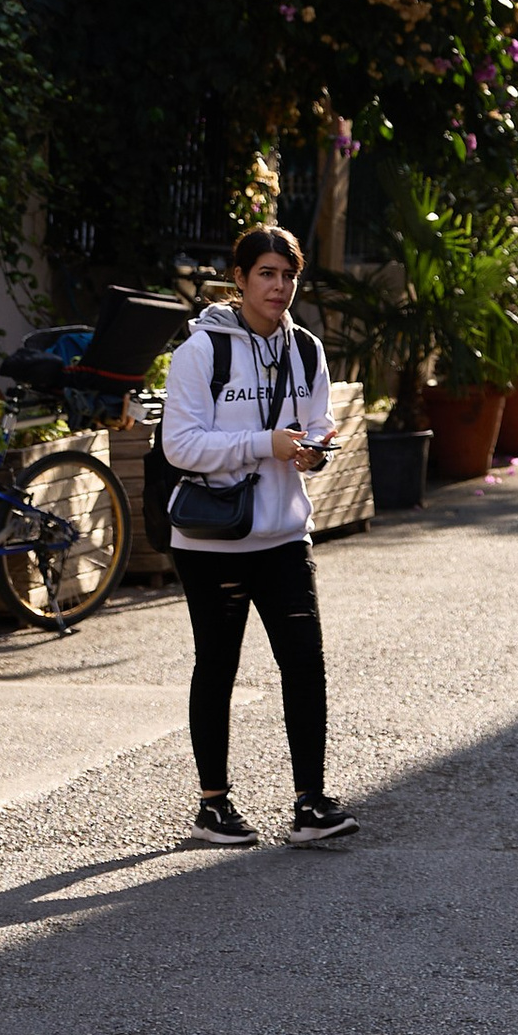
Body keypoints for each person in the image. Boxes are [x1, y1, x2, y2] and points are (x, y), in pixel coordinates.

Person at [161, 223, 357, 846]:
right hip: (213, 539)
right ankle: (213, 805)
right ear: (240, 279)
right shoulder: (201, 352)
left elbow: (317, 424)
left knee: (305, 664)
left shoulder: (307, 350)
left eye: (289, 275)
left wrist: (312, 454)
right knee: (217, 666)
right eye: (266, 274)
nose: (279, 286)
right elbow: (180, 445)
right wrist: (261, 444)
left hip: (284, 535)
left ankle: (310, 802)